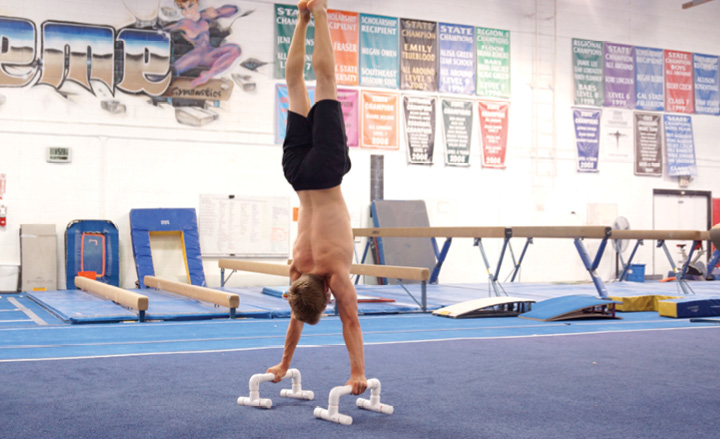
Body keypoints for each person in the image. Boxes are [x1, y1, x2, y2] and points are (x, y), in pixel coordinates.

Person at [265, 0, 367, 395]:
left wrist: (357, 372)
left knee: (325, 84)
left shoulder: (332, 272)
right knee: (295, 90)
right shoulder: (296, 270)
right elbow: (296, 314)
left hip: (325, 173)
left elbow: (350, 321)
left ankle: (321, 11)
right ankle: (302, 19)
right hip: (297, 176)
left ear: (324, 292)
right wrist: (284, 363)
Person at [166, 0, 242, 87]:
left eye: (190, 6)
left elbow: (233, 10)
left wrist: (217, 12)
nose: (187, 11)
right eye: (183, 8)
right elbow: (162, 30)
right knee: (173, 70)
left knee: (235, 49)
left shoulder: (204, 16)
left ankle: (207, 75)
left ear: (196, 4)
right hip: (195, 56)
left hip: (210, 54)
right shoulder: (183, 23)